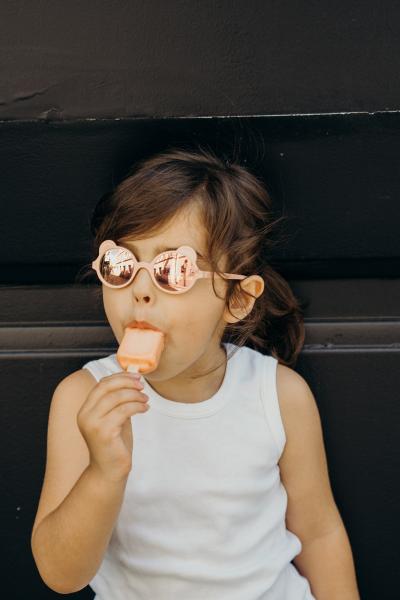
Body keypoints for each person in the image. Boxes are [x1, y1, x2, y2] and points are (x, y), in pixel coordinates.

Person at [30, 146, 360, 599]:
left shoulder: (279, 395)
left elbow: (319, 534)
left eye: (172, 270)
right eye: (121, 266)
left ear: (237, 299)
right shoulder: (82, 399)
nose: (141, 291)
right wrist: (104, 473)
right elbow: (60, 574)